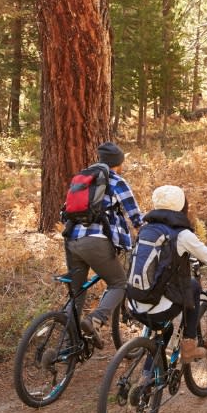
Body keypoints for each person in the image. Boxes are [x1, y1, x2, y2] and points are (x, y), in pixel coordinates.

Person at [127, 185, 207, 364]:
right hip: (158, 308)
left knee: (163, 333)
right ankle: (189, 348)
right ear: (182, 206)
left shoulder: (146, 229)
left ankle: (149, 378)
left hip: (134, 304)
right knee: (194, 286)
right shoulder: (181, 235)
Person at [64, 141, 143, 349]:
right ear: (118, 163)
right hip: (96, 242)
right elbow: (135, 216)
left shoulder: (83, 179)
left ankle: (68, 344)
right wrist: (144, 233)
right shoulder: (116, 181)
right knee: (119, 283)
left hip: (71, 239)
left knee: (77, 293)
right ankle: (95, 320)